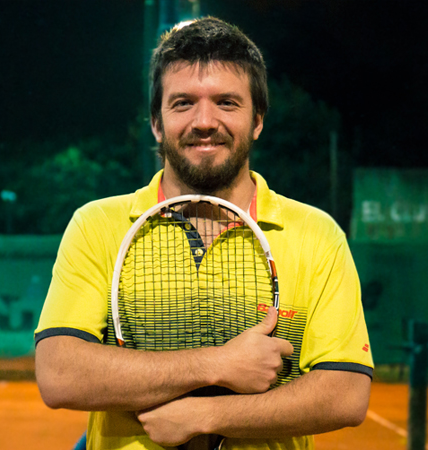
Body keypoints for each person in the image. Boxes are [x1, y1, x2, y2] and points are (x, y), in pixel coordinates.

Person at [35, 17, 373, 450]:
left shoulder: (317, 234)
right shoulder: (97, 224)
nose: (205, 121)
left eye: (227, 103)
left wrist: (204, 416)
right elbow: (59, 374)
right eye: (183, 103)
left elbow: (346, 393)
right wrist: (218, 364)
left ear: (257, 120)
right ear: (156, 123)